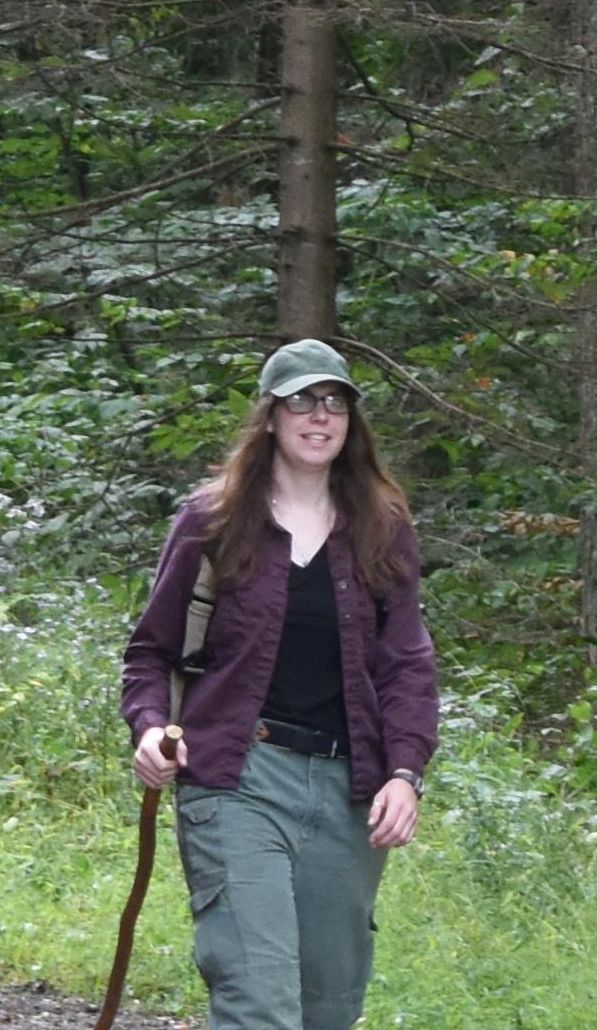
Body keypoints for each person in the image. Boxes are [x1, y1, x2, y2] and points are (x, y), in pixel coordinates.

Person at [120, 339, 442, 1030]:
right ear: (269, 416)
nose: (318, 415)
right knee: (258, 1003)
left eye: (334, 402)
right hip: (236, 778)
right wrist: (150, 725)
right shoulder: (213, 519)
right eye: (300, 400)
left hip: (346, 790)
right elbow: (151, 650)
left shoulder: (382, 528)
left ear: (351, 421)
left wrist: (406, 772)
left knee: (327, 1009)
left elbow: (407, 663)